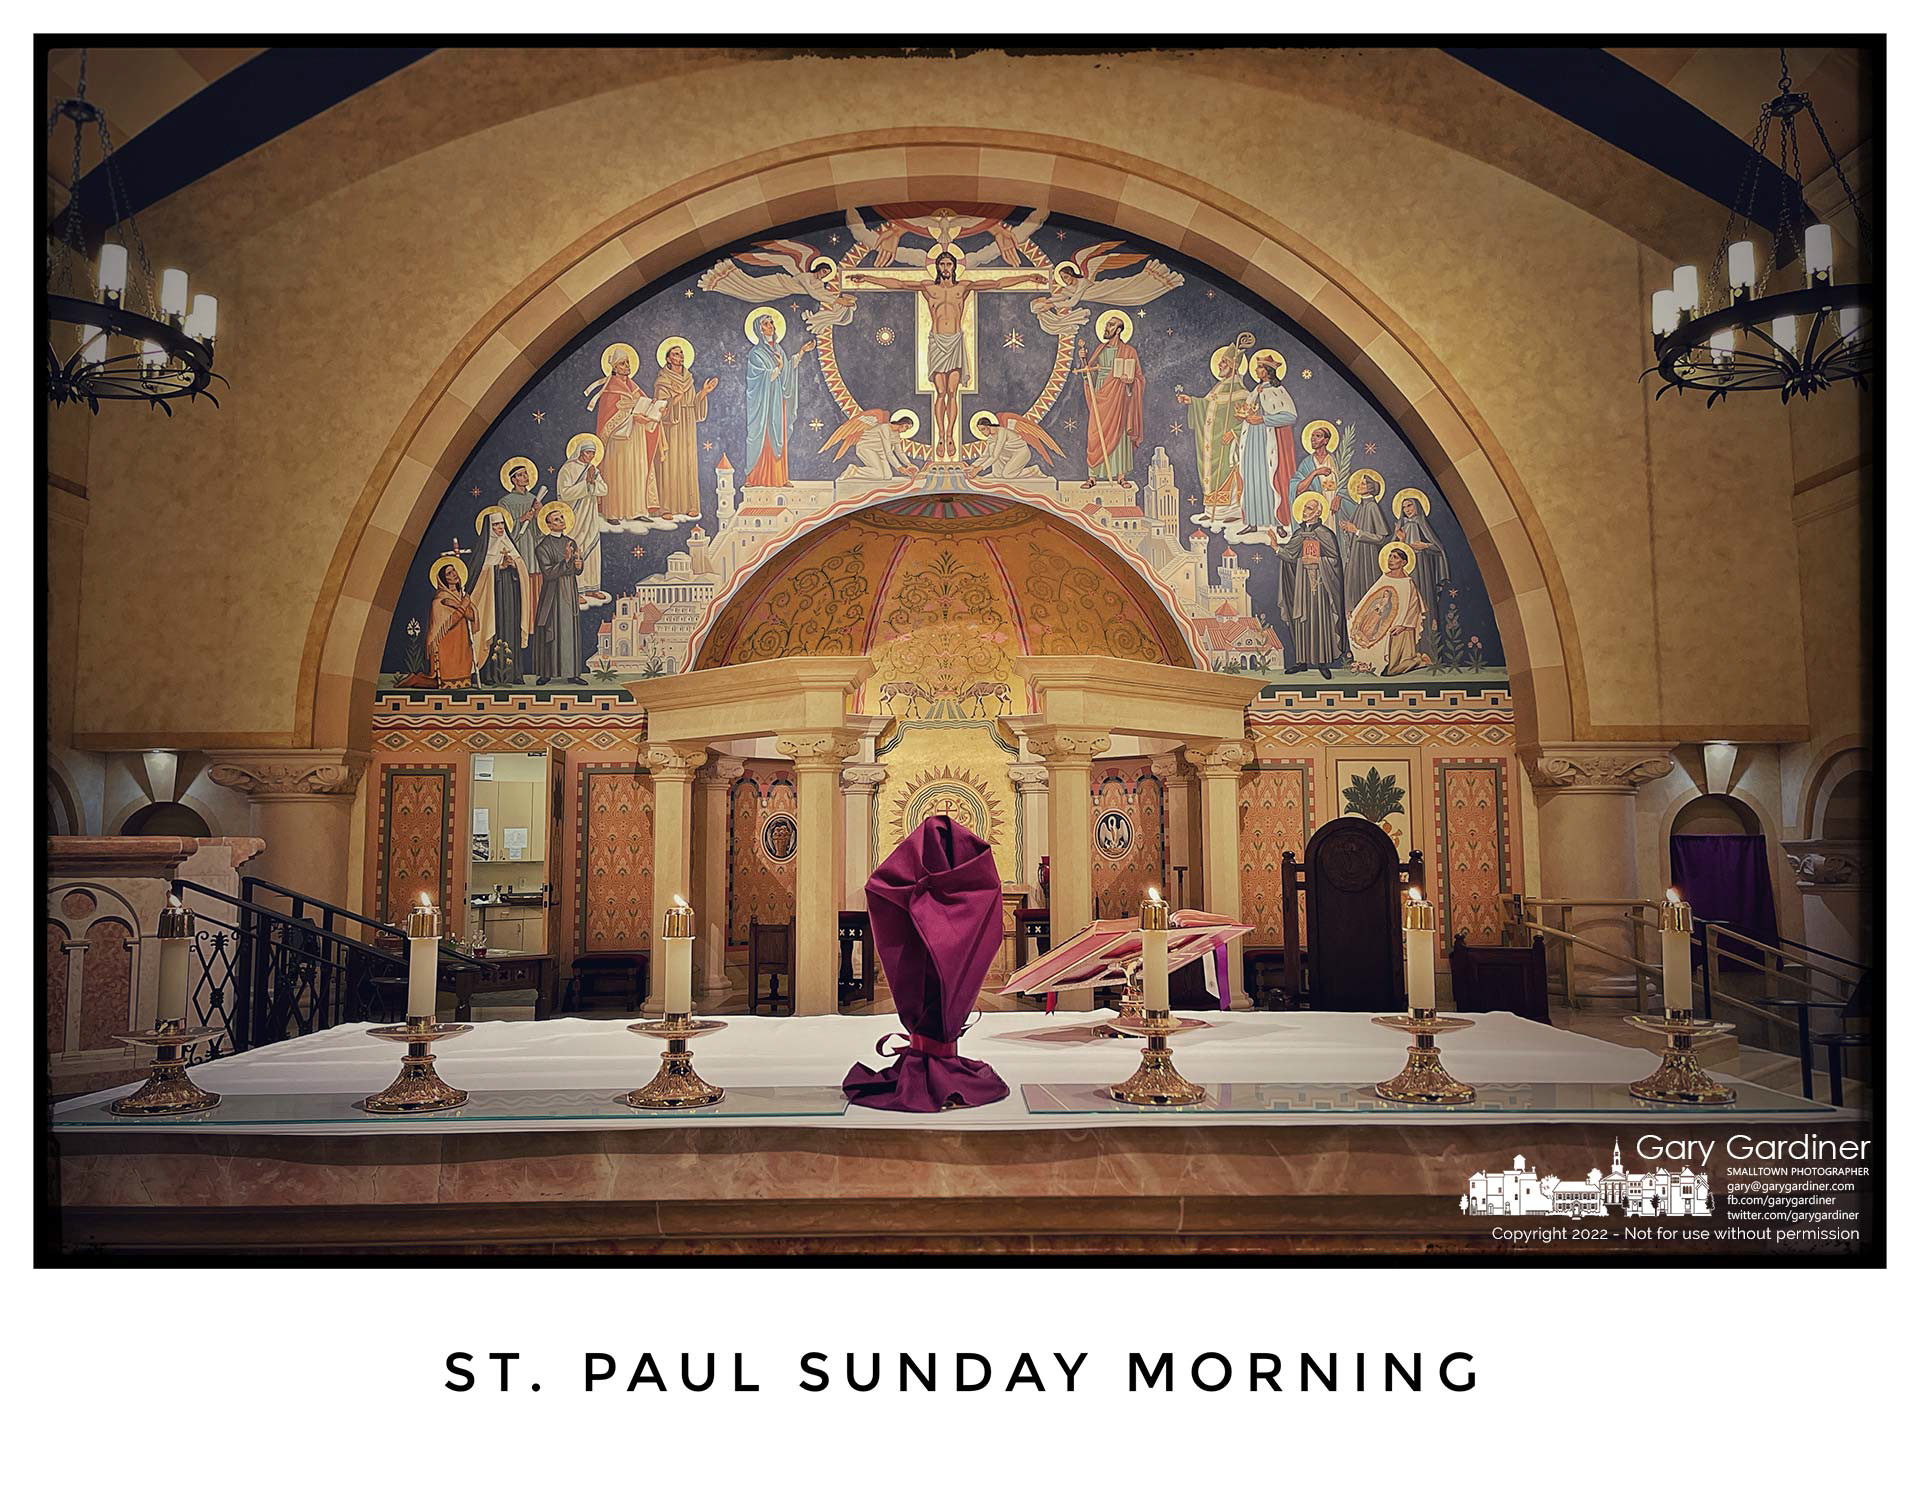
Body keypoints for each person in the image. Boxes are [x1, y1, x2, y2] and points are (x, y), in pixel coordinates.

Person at [587, 346, 666, 517]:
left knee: (636, 472)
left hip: (636, 438)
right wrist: (632, 417)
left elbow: (646, 405)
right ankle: (614, 513)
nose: (627, 366)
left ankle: (637, 510)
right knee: (618, 475)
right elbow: (608, 419)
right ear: (614, 368)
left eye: (628, 363)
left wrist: (657, 410)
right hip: (618, 440)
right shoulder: (610, 389)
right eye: (623, 363)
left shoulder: (633, 386)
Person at [1273, 493, 1347, 678]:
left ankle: (1322, 662)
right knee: (1301, 620)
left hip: (1321, 585)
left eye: (1309, 508)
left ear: (1318, 512)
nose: (1305, 512)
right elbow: (1289, 555)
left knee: (1320, 619)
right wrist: (1275, 546)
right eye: (1304, 508)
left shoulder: (1326, 534)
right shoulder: (1299, 534)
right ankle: (1302, 661)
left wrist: (1317, 560)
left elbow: (1335, 560)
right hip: (1301, 584)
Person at [743, 311, 815, 487]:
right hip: (762, 404)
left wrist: (801, 353)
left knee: (777, 436)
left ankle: (779, 478)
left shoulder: (779, 350)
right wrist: (777, 369)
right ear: (759, 330)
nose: (771, 327)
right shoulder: (755, 353)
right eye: (766, 324)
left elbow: (787, 371)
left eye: (772, 323)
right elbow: (755, 378)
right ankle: (753, 477)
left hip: (777, 403)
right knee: (760, 435)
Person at [1176, 342, 1250, 510]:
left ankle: (1230, 510)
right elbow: (1207, 405)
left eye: (1224, 362)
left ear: (1233, 366)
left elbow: (1250, 421)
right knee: (1211, 473)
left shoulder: (1243, 393)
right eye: (1221, 361)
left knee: (1230, 471)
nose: (1220, 364)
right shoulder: (1219, 388)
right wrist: (1192, 401)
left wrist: (1234, 433)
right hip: (1212, 444)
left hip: (1228, 444)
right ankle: (1213, 509)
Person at [1232, 349, 1296, 541]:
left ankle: (1278, 524)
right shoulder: (1256, 390)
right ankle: (1252, 521)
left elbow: (1290, 416)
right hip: (1252, 439)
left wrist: (1263, 419)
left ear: (1268, 371)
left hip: (1269, 441)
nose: (1257, 370)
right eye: (1257, 366)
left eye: (1260, 367)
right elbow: (1248, 409)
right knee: (1252, 477)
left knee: (1271, 479)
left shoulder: (1278, 391)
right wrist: (1244, 415)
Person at [1078, 313, 1146, 487]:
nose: (1106, 328)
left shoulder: (1129, 351)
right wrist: (1083, 360)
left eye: (1110, 325)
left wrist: (1131, 382)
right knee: (1095, 432)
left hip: (1119, 396)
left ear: (1118, 330)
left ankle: (1121, 476)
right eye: (1106, 325)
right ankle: (1092, 476)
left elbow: (1139, 378)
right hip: (1100, 394)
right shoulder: (1100, 349)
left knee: (1119, 433)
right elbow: (1088, 372)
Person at [652, 339, 716, 516]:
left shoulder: (688, 379)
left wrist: (704, 392)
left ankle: (690, 506)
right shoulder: (662, 381)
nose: (680, 356)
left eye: (681, 353)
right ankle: (667, 507)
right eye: (675, 354)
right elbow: (660, 407)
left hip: (687, 425)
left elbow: (693, 405)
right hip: (671, 427)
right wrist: (674, 401)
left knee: (688, 463)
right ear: (668, 359)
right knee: (670, 465)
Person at [471, 508, 531, 686]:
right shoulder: (484, 550)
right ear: (489, 528)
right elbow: (479, 574)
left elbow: (522, 569)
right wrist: (498, 568)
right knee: (494, 629)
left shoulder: (510, 545)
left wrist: (515, 566)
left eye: (501, 524)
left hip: (511, 598)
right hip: (492, 601)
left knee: (511, 630)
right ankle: (490, 674)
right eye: (496, 525)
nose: (499, 528)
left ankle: (514, 674)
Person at [1348, 543, 1426, 676]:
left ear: (1404, 562)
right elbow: (1370, 599)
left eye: (1395, 557)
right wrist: (1355, 613)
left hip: (1400, 627)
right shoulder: (1384, 577)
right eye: (1390, 556)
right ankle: (1366, 664)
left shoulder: (1408, 582)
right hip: (1379, 621)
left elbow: (1413, 608)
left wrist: (1403, 625)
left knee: (1391, 670)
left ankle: (1420, 661)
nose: (1390, 559)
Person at [529, 506, 586, 684]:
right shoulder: (543, 546)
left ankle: (573, 673)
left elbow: (576, 570)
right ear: (548, 525)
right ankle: (547, 673)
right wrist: (566, 561)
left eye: (561, 518)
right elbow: (548, 573)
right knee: (551, 631)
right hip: (552, 595)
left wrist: (578, 565)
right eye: (556, 519)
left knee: (569, 632)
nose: (561, 521)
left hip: (569, 591)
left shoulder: (571, 542)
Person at [1391, 488, 1452, 648]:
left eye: (1409, 505)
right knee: (1406, 603)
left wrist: (1425, 545)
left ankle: (1427, 648)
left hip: (1422, 568)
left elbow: (1438, 548)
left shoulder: (1422, 523)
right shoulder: (1401, 526)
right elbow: (1394, 551)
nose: (1407, 510)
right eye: (1404, 507)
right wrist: (1401, 540)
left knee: (1423, 601)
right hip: (1406, 571)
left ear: (1417, 506)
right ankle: (1407, 650)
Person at [1333, 470, 1391, 615]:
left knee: (1366, 587)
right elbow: (1355, 530)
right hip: (1356, 555)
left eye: (1363, 483)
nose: (1359, 485)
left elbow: (1381, 537)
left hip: (1368, 557)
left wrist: (1357, 531)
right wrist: (1348, 529)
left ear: (1370, 488)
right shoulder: (1361, 506)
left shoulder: (1372, 507)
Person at [554, 435, 607, 592]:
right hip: (575, 515)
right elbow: (564, 493)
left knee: (592, 545)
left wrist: (593, 482)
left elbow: (604, 489)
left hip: (590, 514)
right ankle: (576, 589)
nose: (590, 456)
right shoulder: (567, 469)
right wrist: (586, 484)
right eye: (588, 452)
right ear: (580, 452)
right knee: (577, 548)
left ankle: (592, 587)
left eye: (593, 453)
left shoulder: (593, 469)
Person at [966, 410, 1063, 479]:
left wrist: (978, 470)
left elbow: (995, 455)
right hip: (1008, 455)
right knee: (997, 474)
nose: (982, 432)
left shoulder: (1002, 432)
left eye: (983, 429)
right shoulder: (991, 438)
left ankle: (1033, 470)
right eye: (980, 430)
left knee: (1007, 475)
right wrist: (973, 466)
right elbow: (986, 455)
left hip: (1021, 453)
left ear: (989, 426)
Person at [426, 560, 477, 687]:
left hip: (462, 640)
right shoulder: (440, 599)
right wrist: (462, 606)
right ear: (443, 579)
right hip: (446, 643)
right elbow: (451, 621)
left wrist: (459, 604)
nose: (454, 574)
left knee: (463, 670)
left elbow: (471, 615)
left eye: (454, 570)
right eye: (449, 573)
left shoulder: (462, 596)